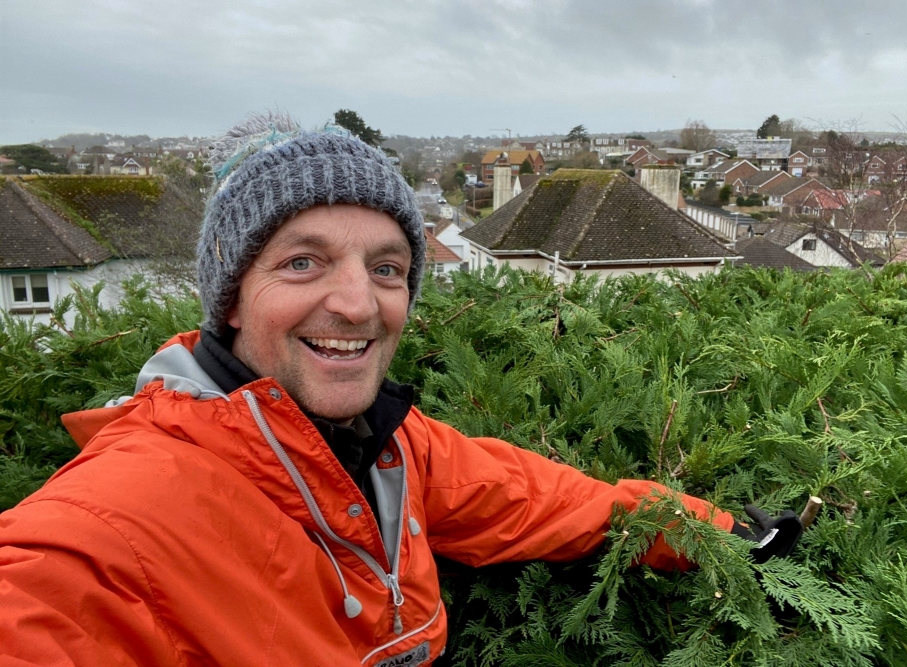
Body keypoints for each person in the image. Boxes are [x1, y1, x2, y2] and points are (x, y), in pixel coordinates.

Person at [0, 113, 799, 666]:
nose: (358, 303)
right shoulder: (113, 521)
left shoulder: (387, 449)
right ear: (231, 297)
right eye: (302, 260)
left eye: (386, 267)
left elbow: (549, 500)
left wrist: (716, 532)